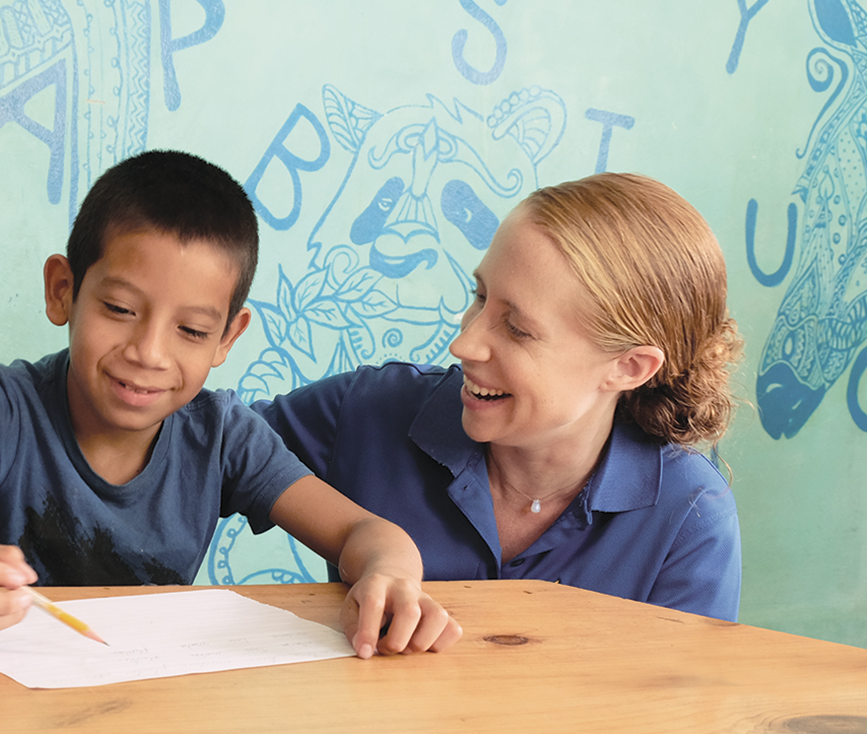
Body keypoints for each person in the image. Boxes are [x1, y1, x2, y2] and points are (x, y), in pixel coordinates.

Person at [0, 150, 461, 656]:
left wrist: (388, 570)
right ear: (63, 290)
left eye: (192, 331)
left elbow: (362, 534)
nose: (148, 351)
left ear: (229, 336)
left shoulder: (222, 435)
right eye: (118, 309)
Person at [254, 172, 744, 621]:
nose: (463, 344)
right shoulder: (368, 410)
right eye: (481, 296)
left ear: (628, 367)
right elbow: (198, 443)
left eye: (517, 329)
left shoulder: (691, 518)